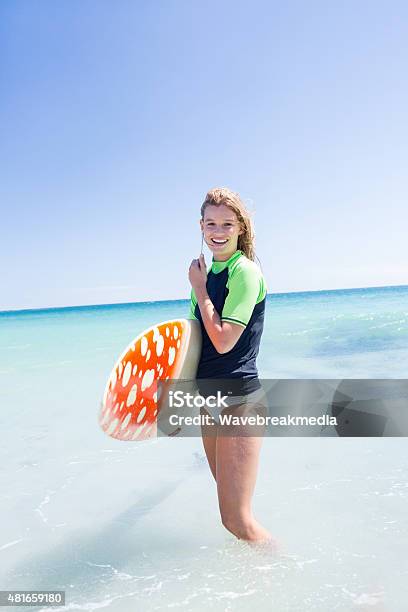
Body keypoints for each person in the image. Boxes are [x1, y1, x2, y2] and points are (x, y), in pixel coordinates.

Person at [188, 187, 275, 545]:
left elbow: (224, 340)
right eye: (211, 223)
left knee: (237, 521)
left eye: (226, 223)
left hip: (239, 401)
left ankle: (291, 576)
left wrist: (200, 289)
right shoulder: (205, 274)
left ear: (241, 227)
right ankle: (252, 589)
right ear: (201, 226)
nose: (218, 231)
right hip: (208, 402)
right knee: (229, 510)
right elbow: (194, 344)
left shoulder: (245, 272)